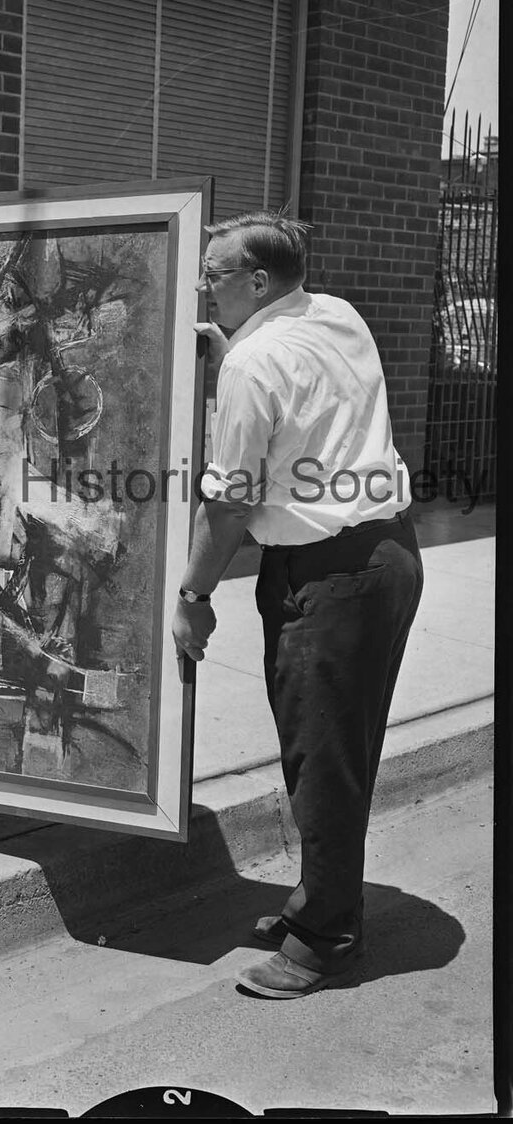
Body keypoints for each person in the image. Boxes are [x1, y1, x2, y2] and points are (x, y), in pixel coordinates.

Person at [172, 212, 423, 999]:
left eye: (213, 274)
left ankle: (325, 941)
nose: (203, 285)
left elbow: (230, 502)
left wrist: (192, 594)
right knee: (340, 747)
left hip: (328, 575)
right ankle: (321, 899)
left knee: (323, 760)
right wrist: (231, 348)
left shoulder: (254, 365)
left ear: (257, 282)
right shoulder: (334, 313)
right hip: (387, 554)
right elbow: (299, 384)